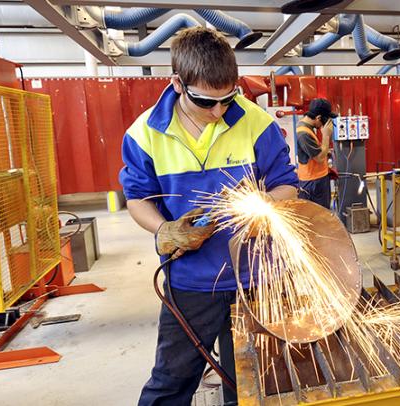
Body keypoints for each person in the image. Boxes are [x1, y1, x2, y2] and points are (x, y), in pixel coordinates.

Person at [118, 27, 298, 406]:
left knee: (252, 382)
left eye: (227, 100)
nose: (218, 112)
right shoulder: (144, 134)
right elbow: (136, 199)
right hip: (191, 281)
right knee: (172, 381)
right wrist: (163, 228)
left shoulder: (256, 122)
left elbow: (287, 185)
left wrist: (265, 202)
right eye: (206, 102)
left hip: (256, 278)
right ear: (178, 84)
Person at [296, 98, 337, 209]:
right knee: (321, 217)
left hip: (317, 180)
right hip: (313, 183)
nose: (324, 125)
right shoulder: (303, 133)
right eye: (324, 121)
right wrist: (326, 135)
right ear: (318, 117)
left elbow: (316, 152)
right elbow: (319, 157)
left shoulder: (307, 127)